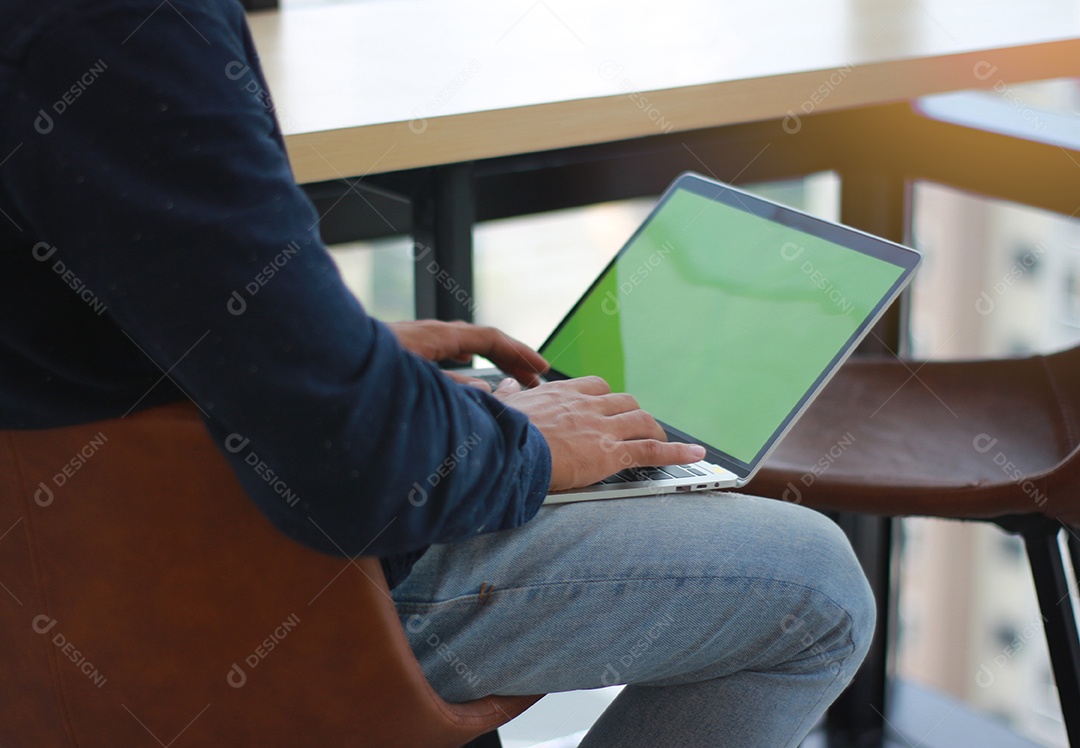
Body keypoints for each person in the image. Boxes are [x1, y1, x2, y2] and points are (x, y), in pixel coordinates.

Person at [0, 0, 875, 744]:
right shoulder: (128, 30)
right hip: (205, 573)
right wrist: (518, 445)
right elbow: (357, 463)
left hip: (87, 526)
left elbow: (99, 302)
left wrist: (334, 348)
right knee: (814, 586)